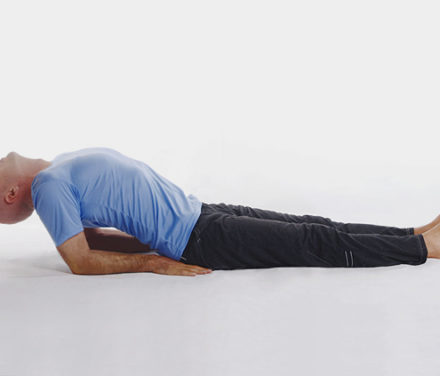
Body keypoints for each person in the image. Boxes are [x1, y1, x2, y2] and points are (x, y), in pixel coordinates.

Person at [0, 147, 438, 277]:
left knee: (314, 226)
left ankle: (413, 234)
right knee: (313, 239)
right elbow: (82, 257)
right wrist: (153, 261)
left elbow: (87, 247)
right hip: (200, 236)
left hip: (202, 217)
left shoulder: (55, 177)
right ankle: (424, 247)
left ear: (10, 193)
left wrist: (150, 250)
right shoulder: (55, 177)